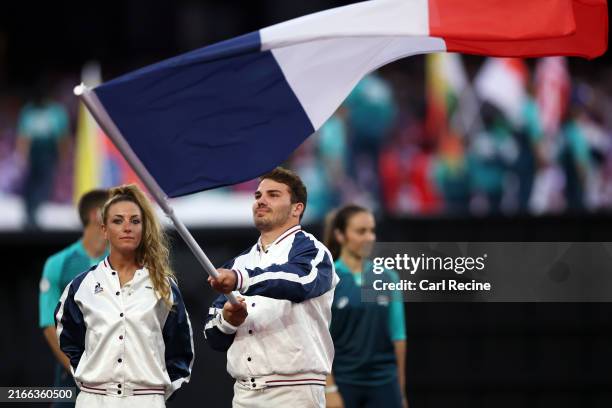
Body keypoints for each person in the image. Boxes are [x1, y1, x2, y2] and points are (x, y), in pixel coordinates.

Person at [205, 167, 338, 408]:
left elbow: (299, 282)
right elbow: (212, 336)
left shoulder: (313, 251)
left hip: (295, 392)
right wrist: (228, 321)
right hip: (244, 393)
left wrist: (241, 279)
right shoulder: (238, 263)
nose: (261, 201)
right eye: (258, 196)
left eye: (273, 195)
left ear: (297, 208)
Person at [55, 184, 194, 407]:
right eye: (118, 220)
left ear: (143, 228)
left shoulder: (164, 287)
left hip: (146, 399)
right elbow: (67, 336)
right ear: (104, 229)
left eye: (135, 221)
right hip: (95, 399)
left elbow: (181, 348)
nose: (127, 227)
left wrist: (156, 394)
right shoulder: (83, 286)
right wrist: (88, 374)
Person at [323, 204, 407, 408]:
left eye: (372, 231)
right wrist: (329, 388)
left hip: (384, 382)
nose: (370, 237)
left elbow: (398, 335)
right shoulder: (326, 280)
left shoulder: (388, 277)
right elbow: (320, 339)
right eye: (361, 231)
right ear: (340, 235)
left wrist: (400, 391)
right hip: (344, 382)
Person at [39, 189, 109, 408]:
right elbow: (49, 324)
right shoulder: (58, 264)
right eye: (115, 214)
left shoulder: (126, 262)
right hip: (70, 384)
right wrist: (78, 371)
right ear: (98, 215)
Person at [16, 83, 70, 228]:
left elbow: (61, 137)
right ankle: (30, 213)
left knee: (44, 183)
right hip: (35, 151)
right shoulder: (28, 111)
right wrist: (22, 155)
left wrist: (62, 156)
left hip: (48, 151)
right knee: (32, 184)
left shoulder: (55, 111)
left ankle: (35, 212)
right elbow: (24, 136)